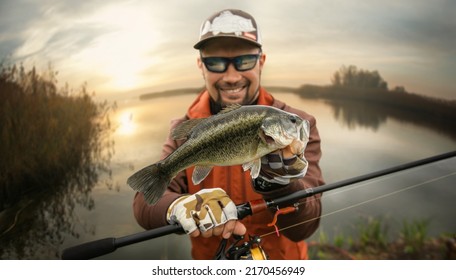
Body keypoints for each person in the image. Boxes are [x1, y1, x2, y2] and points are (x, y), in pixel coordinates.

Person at [133, 9, 324, 260]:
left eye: (244, 61)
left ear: (261, 61)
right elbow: (144, 205)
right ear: (201, 65)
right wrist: (176, 206)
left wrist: (282, 185)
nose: (232, 77)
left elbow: (306, 227)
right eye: (216, 63)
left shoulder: (301, 125)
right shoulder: (184, 129)